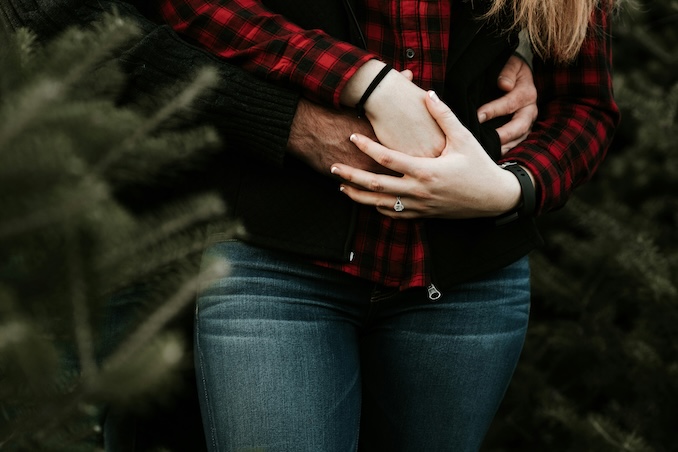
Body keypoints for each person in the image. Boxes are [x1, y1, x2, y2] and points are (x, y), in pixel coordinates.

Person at [0, 0, 540, 450]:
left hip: (426, 261)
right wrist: (323, 109)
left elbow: (581, 87)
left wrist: (501, 56)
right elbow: (57, 14)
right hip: (123, 214)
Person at [151, 0, 619, 450]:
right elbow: (198, 8)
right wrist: (365, 81)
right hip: (278, 264)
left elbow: (584, 104)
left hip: (468, 285)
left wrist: (512, 189)